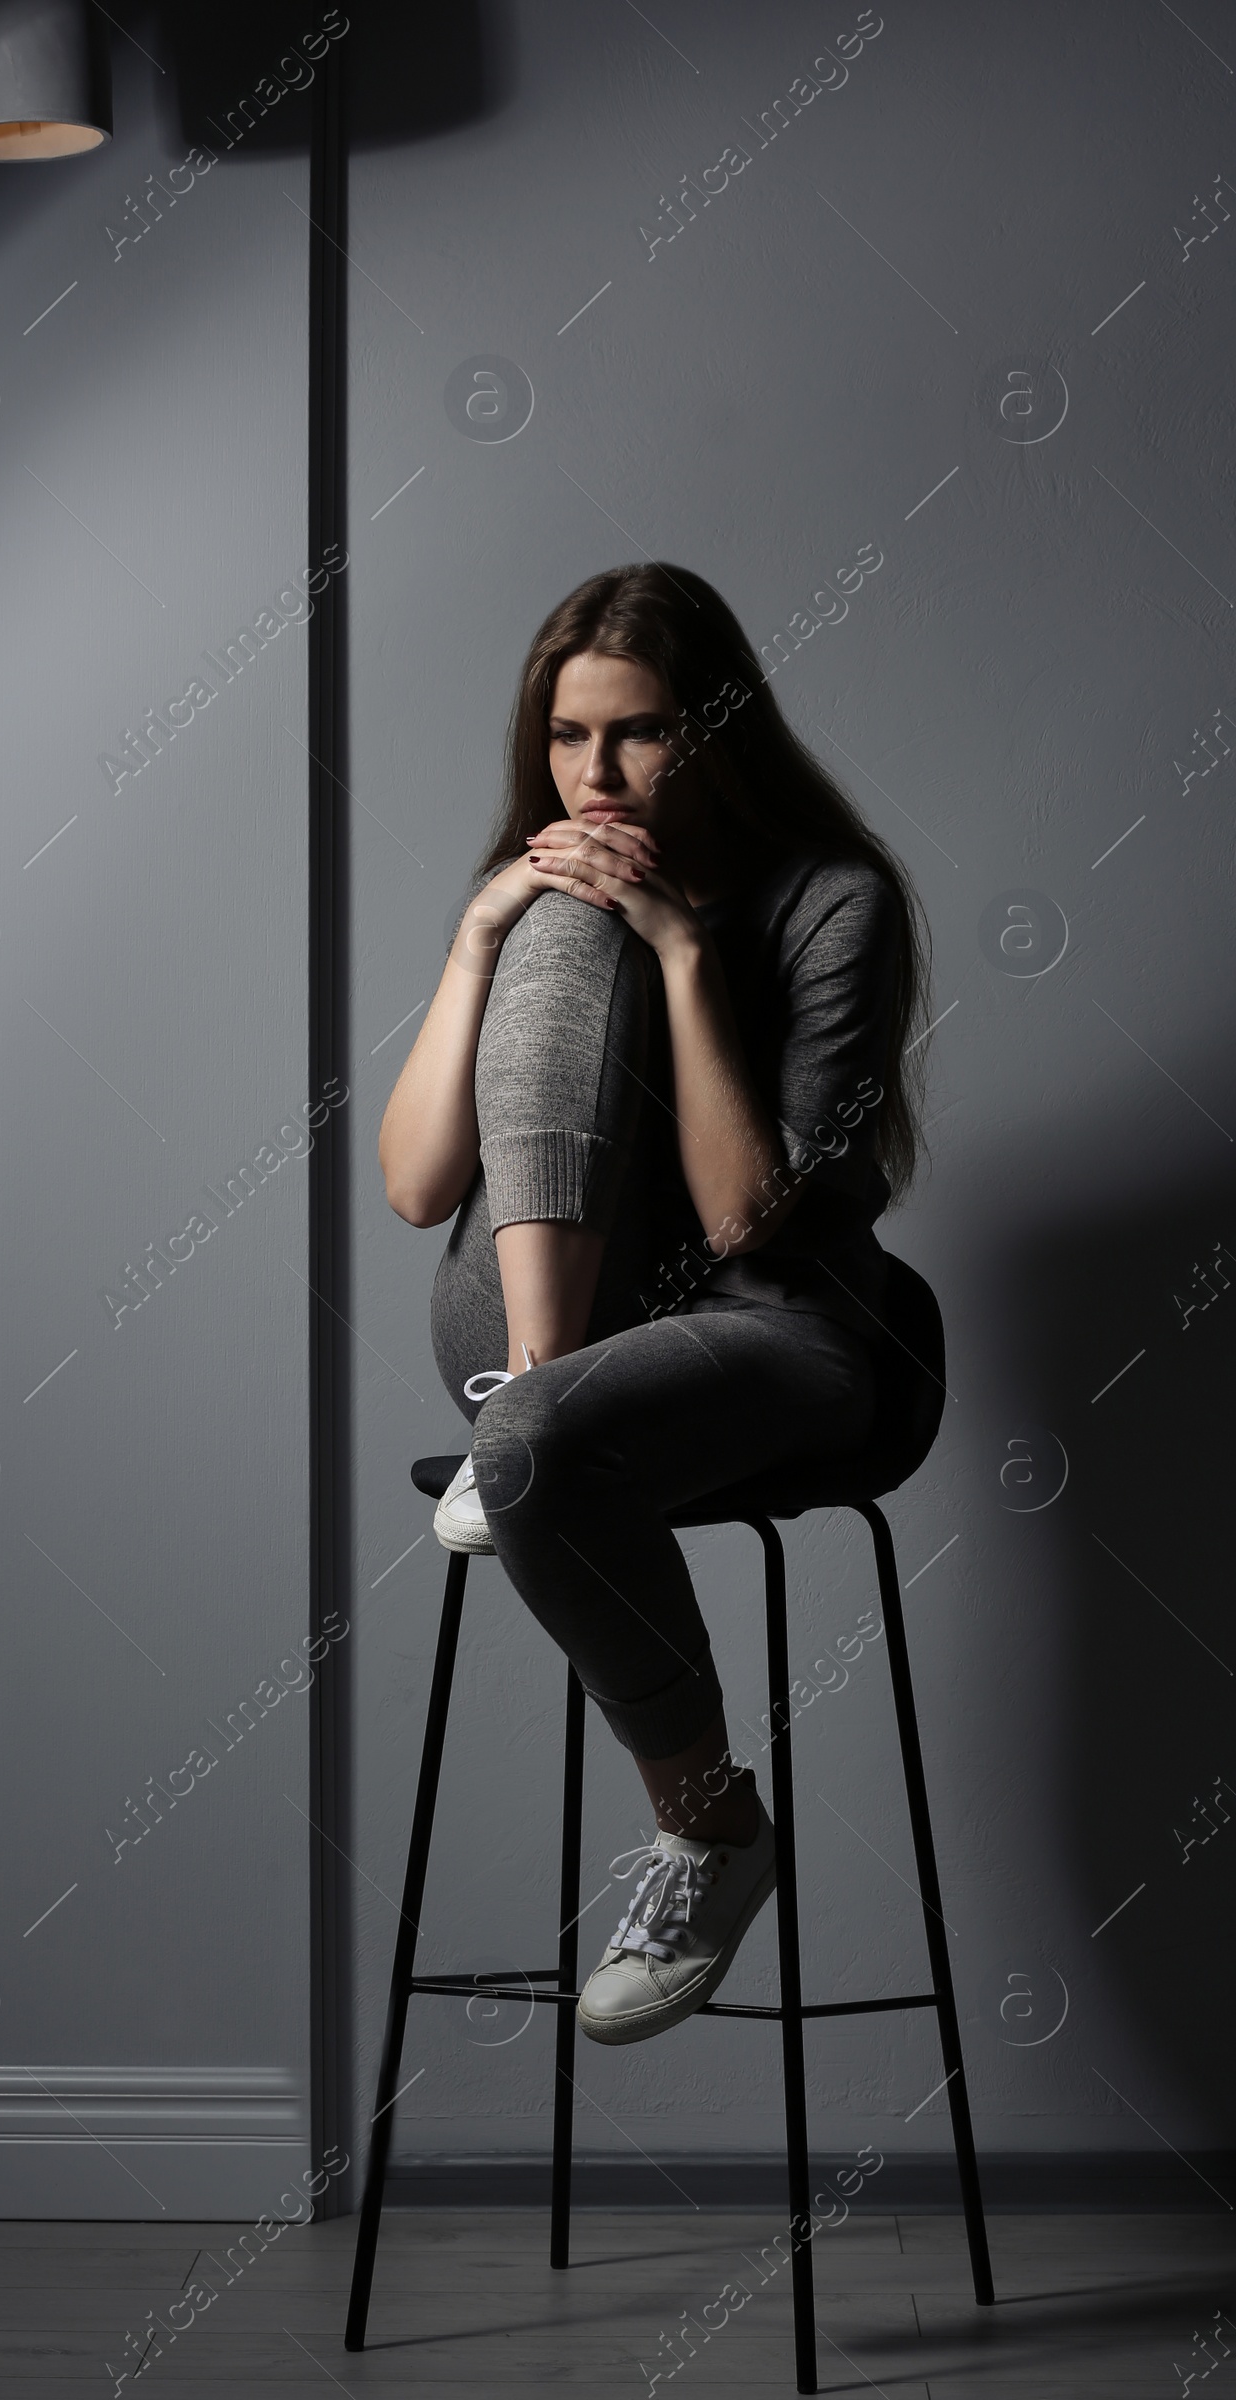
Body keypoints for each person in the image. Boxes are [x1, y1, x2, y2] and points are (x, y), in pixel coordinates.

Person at [378, 562, 931, 2044]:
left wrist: (685, 951)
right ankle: (531, 1402)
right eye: (569, 737)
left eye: (641, 733)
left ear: (718, 731)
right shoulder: (549, 881)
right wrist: (480, 937)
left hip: (778, 1330)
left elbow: (755, 1218)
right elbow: (422, 1191)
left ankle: (710, 1829)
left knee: (544, 1448)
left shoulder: (835, 902)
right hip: (555, 1325)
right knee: (557, 925)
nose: (597, 774)